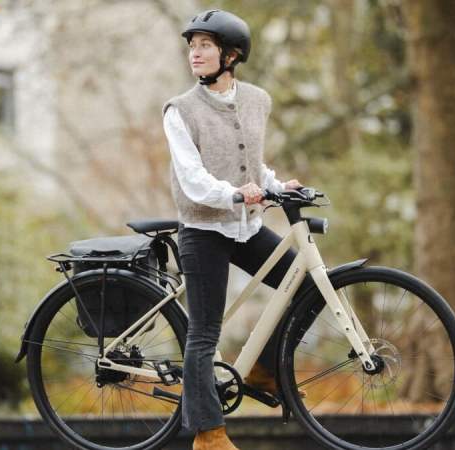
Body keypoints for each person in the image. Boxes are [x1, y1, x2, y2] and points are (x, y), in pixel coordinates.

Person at [162, 9, 302, 450]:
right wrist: (235, 194)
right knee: (204, 332)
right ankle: (208, 433)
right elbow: (193, 179)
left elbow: (251, 162)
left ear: (231, 54)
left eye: (204, 45)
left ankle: (265, 369)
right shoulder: (179, 111)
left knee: (304, 285)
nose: (195, 54)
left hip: (246, 226)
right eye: (192, 46)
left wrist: (277, 186)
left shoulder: (258, 99)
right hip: (203, 229)